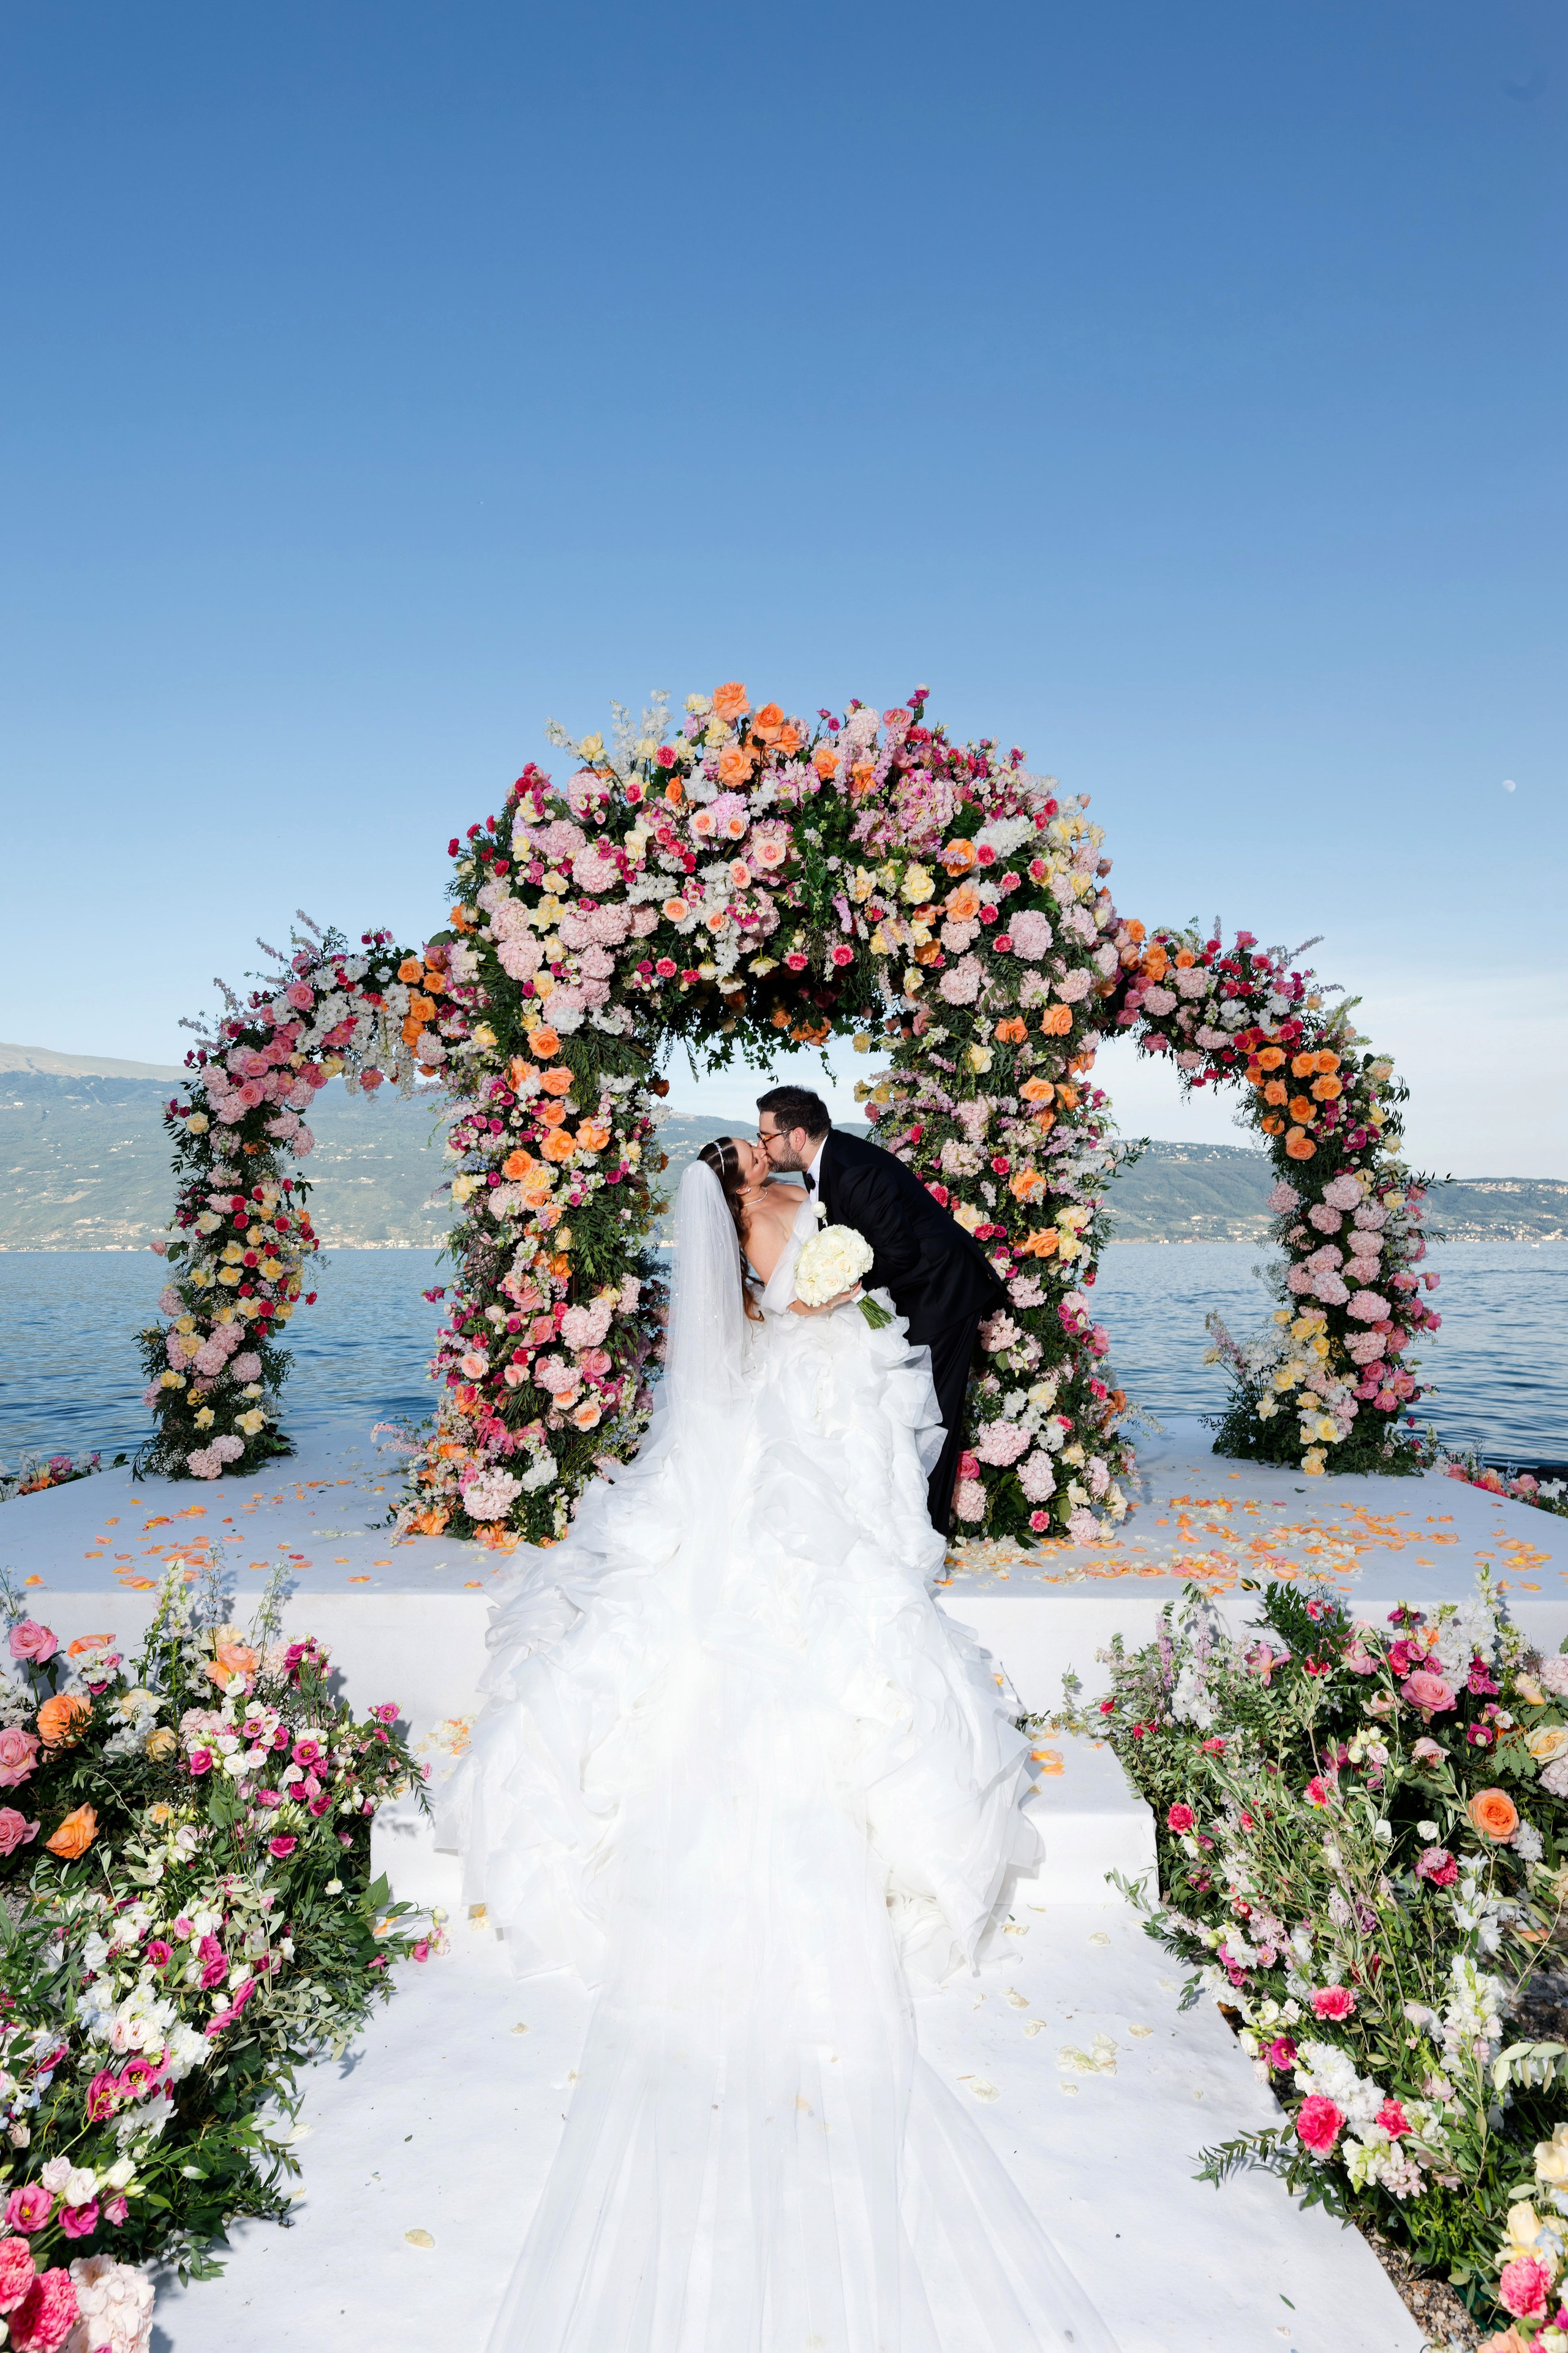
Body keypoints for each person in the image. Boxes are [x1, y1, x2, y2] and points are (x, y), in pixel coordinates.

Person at [439, 1154, 1117, 2353]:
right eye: (762, 1196)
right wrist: (836, 1318)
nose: (777, 1204)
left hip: (754, 1485)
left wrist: (828, 1317)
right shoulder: (796, 1272)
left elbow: (757, 1386)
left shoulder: (750, 1294)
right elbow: (837, 1411)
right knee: (832, 1608)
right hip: (785, 1497)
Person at [756, 1084, 1006, 1534]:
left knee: (935, 1415)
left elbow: (900, 1254)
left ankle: (928, 1535)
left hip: (941, 1291)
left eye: (766, 1137)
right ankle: (911, 1524)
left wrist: (842, 1286)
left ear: (796, 1136)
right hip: (916, 1292)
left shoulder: (852, 1172)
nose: (763, 1147)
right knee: (907, 1409)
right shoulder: (826, 1166)